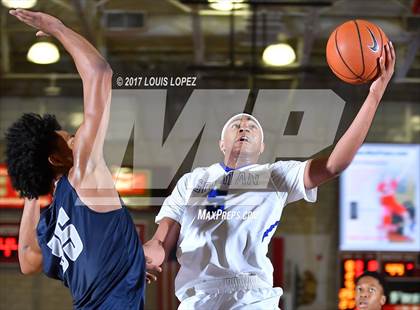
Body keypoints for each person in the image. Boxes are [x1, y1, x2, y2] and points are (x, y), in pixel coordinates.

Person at [143, 40, 396, 309]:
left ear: (262, 148)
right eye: (236, 126)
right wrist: (146, 257)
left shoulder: (275, 176)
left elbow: (335, 164)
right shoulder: (192, 181)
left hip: (253, 296)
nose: (244, 128)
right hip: (198, 298)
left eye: (252, 126)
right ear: (222, 144)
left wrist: (374, 96)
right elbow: (160, 239)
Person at [5, 9, 156, 309]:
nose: (76, 136)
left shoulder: (51, 221)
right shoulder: (83, 176)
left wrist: (31, 190)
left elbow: (27, 259)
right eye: (69, 139)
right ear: (55, 159)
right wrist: (58, 28)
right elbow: (100, 74)